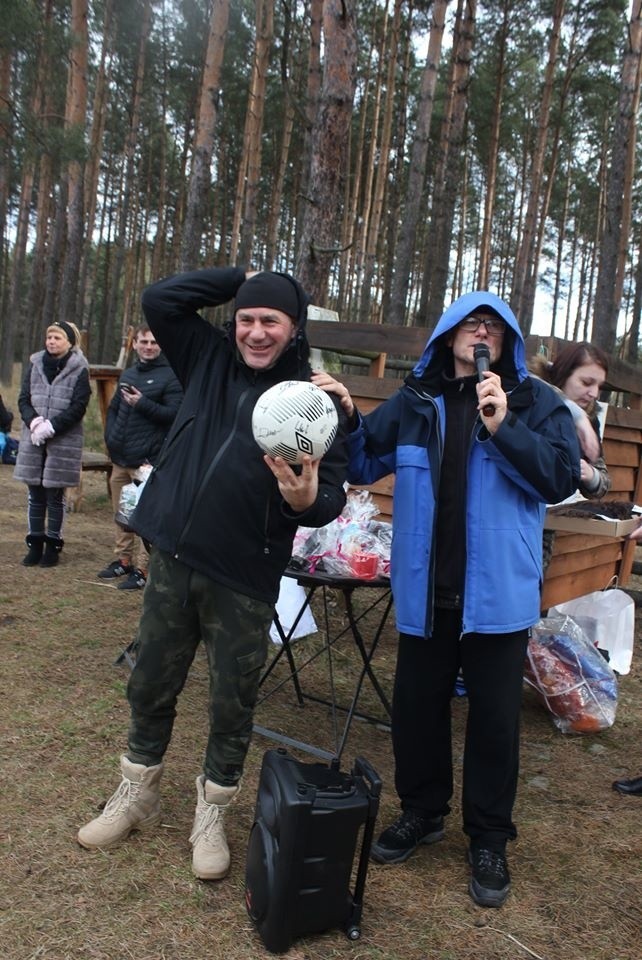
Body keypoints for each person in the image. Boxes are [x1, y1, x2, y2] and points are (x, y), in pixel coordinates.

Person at [77, 268, 348, 880]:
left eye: (270, 320)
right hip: (173, 554)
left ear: (294, 328)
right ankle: (136, 793)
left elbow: (329, 492)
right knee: (150, 682)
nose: (255, 331)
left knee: (233, 701)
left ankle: (212, 812)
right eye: (247, 318)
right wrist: (241, 279)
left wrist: (306, 501)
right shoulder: (205, 355)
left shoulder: (316, 399)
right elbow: (159, 299)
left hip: (244, 573)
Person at [313, 291, 580, 908]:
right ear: (447, 334)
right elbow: (360, 459)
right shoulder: (414, 401)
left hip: (499, 594)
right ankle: (423, 812)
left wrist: (504, 426)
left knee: (492, 723)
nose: (480, 331)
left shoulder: (537, 403)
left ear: (508, 339)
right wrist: (348, 414)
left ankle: (488, 837)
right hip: (425, 589)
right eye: (469, 321)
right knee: (416, 710)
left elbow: (560, 478)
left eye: (492, 324)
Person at [96, 323, 183, 590]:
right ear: (134, 344)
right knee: (120, 515)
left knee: (145, 518)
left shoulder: (171, 376)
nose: (148, 347)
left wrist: (142, 403)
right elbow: (114, 411)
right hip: (121, 458)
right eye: (143, 342)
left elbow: (174, 415)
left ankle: (144, 570)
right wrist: (110, 440)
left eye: (154, 343)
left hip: (147, 461)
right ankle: (123, 561)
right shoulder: (129, 373)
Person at [14, 320, 90, 567]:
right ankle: (34, 543)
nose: (52, 342)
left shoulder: (79, 369)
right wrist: (34, 422)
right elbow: (24, 398)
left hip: (62, 441)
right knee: (34, 494)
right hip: (34, 439)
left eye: (57, 338)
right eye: (49, 338)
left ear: (69, 342)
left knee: (54, 496)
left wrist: (52, 427)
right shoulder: (35, 364)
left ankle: (53, 545)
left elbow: (79, 406)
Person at [530, 343, 611, 569]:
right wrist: (576, 416)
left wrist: (591, 474)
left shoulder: (590, 419)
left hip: (546, 527)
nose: (594, 393)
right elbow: (534, 384)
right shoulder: (529, 394)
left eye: (599, 386)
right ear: (564, 374)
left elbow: (603, 480)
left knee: (532, 590)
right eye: (586, 383)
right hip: (509, 515)